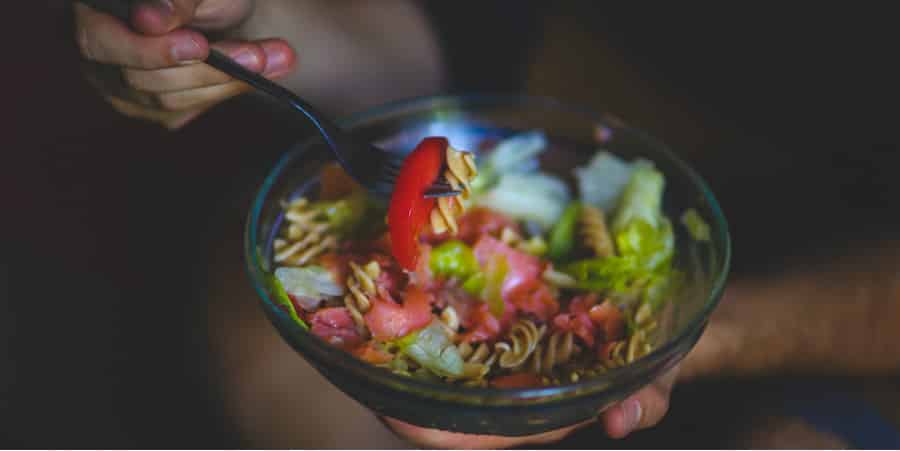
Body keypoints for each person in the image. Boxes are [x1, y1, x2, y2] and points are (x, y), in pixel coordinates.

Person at [74, 1, 900, 448]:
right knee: (251, 322)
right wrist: (242, 28)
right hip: (603, 118)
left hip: (856, 277)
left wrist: (695, 336)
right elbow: (466, 36)